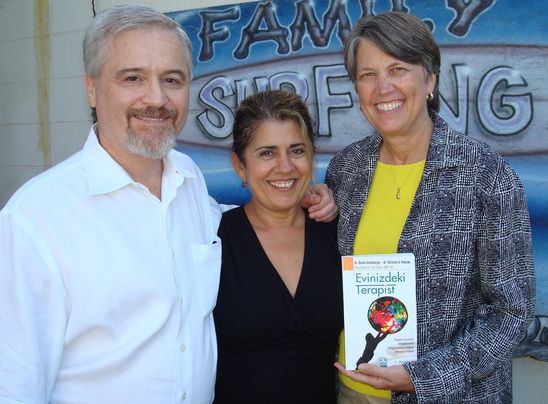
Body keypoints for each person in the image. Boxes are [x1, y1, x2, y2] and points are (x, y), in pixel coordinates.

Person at [0, 6, 336, 403]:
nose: (156, 98)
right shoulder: (36, 219)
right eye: (133, 78)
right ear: (91, 88)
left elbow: (249, 222)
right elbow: (16, 382)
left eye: (172, 79)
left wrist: (302, 198)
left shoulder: (189, 182)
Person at [326, 12, 535, 403]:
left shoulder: (485, 175)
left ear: (430, 79)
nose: (383, 87)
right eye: (368, 75)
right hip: (352, 390)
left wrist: (421, 378)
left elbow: (511, 312)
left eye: (398, 69)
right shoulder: (346, 170)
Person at [213, 90, 344, 404]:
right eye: (267, 153)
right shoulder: (214, 238)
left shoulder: (337, 232)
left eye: (296, 150)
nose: (285, 167)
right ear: (240, 165)